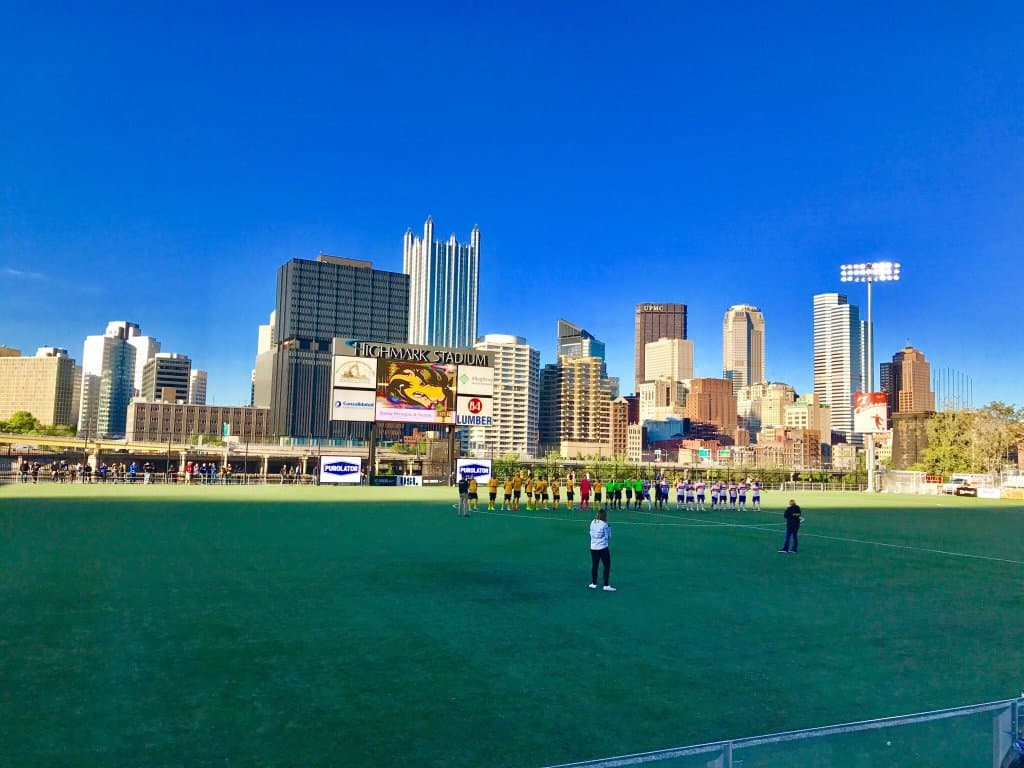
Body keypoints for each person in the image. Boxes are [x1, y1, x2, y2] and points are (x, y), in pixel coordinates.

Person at [588, 509, 615, 591]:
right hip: (603, 548)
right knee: (606, 566)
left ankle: (594, 583)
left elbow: (591, 533)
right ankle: (606, 585)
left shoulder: (592, 522)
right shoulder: (605, 525)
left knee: (595, 565)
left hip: (593, 547)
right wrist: (609, 528)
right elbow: (608, 537)